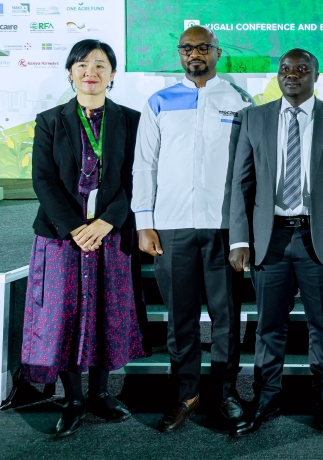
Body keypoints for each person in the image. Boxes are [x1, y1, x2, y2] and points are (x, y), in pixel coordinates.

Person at [227, 49, 323, 436]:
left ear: (316, 75)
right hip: (269, 239)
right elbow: (241, 184)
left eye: (302, 69)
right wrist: (240, 238)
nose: (292, 75)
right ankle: (266, 397)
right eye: (285, 69)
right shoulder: (253, 118)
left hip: (318, 238)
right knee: (268, 326)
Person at [23, 39, 145, 438]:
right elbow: (42, 179)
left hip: (110, 235)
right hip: (62, 237)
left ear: (112, 74)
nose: (90, 71)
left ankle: (99, 394)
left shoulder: (131, 120)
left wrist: (108, 222)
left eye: (100, 65)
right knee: (65, 315)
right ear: (71, 72)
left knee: (107, 312)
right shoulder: (50, 120)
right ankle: (73, 399)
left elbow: (135, 178)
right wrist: (76, 227)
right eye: (81, 64)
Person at [133, 26, 252, 432]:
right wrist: (144, 223)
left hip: (223, 228)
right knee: (179, 318)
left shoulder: (239, 101)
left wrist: (244, 231)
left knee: (226, 317)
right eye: (186, 48)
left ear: (217, 52)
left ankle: (225, 393)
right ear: (179, 53)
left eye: (203, 47)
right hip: (171, 228)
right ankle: (185, 394)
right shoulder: (159, 102)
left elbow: (249, 169)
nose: (194, 54)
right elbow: (144, 165)